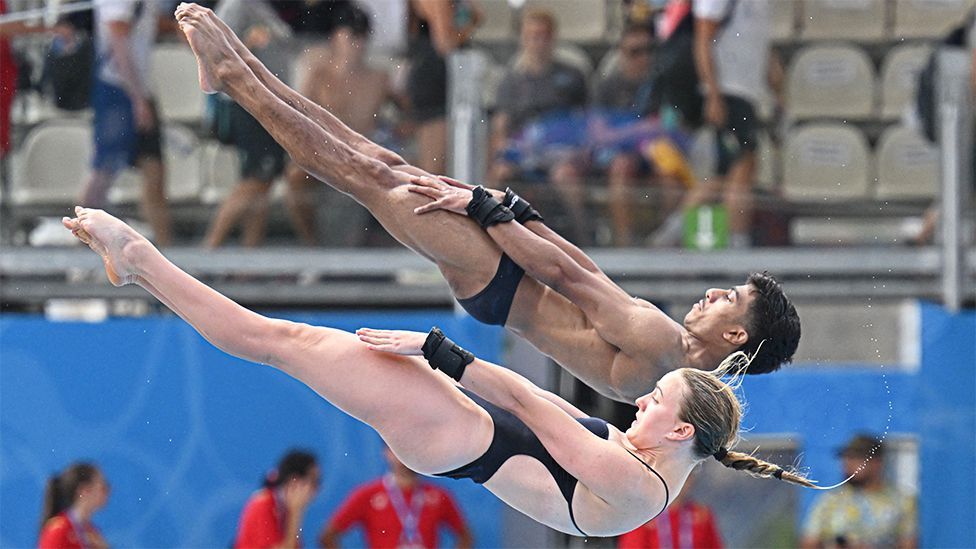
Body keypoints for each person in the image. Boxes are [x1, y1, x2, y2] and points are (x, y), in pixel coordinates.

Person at [171, 3, 801, 405]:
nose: (713, 295)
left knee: (363, 171)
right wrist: (503, 206)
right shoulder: (671, 365)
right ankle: (237, 65)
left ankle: (232, 76)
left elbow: (569, 274)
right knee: (375, 163)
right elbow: (577, 267)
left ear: (737, 336)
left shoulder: (665, 347)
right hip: (506, 278)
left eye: (729, 301)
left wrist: (488, 208)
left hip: (503, 277)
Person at [61, 206, 815, 538]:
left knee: (278, 339)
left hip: (452, 427)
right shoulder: (655, 464)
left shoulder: (636, 483)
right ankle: (138, 267)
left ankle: (137, 260)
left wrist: (437, 351)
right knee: (281, 340)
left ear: (681, 427)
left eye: (652, 399)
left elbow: (531, 398)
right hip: (461, 420)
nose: (638, 400)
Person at [202, 0, 299, 248]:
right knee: (257, 178)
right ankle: (207, 252)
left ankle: (249, 261)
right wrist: (248, 42)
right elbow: (215, 55)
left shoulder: (261, 7)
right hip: (248, 104)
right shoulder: (237, 6)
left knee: (263, 184)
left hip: (267, 102)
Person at [488, 8, 590, 242]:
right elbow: (500, 126)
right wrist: (502, 153)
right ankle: (495, 237)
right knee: (498, 175)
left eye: (543, 36)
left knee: (567, 177)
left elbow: (585, 122)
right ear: (523, 39)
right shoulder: (511, 81)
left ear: (553, 38)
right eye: (532, 36)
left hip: (560, 150)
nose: (538, 42)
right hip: (523, 150)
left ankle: (582, 237)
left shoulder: (572, 75)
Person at [79, 0, 172, 246]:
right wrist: (137, 98)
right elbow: (117, 39)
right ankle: (78, 247)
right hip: (118, 89)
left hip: (140, 88)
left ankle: (165, 253)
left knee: (154, 168)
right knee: (105, 169)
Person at [319, 446, 472, 548]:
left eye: (413, 450)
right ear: (387, 452)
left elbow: (465, 537)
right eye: (400, 450)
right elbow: (328, 536)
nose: (406, 457)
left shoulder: (438, 495)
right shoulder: (368, 494)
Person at [406, 0, 482, 176]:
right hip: (434, 79)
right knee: (433, 167)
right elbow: (445, 43)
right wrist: (473, 22)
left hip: (442, 76)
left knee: (445, 162)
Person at [800, 435, 917, 549]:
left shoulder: (902, 502)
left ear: (877, 462)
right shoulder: (830, 501)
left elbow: (909, 544)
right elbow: (809, 543)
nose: (847, 464)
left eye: (856, 458)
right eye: (846, 458)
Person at [233, 449, 321, 549]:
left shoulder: (284, 507)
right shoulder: (263, 504)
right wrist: (296, 512)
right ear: (294, 482)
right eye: (314, 481)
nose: (318, 488)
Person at [616, 471, 722, 548]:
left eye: (686, 477)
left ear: (691, 480)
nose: (680, 483)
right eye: (674, 477)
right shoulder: (645, 515)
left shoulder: (701, 515)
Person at [38, 462, 110, 549]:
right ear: (84, 490)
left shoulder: (93, 532)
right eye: (103, 487)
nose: (108, 492)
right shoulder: (57, 530)